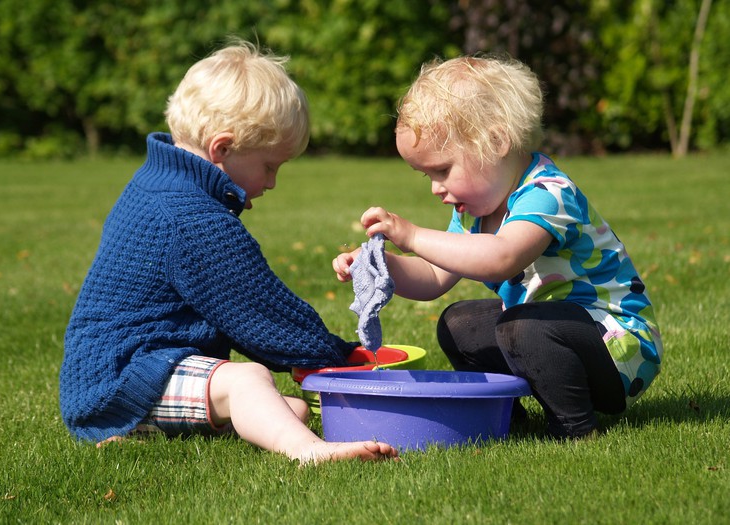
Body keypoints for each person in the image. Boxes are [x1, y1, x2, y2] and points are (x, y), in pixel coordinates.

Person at [59, 38, 397, 464]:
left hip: (128, 371)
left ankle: (142, 434)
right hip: (122, 380)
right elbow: (260, 311)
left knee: (286, 409)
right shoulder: (191, 218)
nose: (272, 182)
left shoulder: (159, 182)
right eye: (270, 166)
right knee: (248, 381)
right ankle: (309, 452)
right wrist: (335, 355)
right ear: (221, 149)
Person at [332, 54, 663, 439]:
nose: (436, 188)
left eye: (442, 170)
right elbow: (435, 275)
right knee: (459, 324)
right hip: (549, 332)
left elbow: (501, 258)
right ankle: (505, 417)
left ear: (496, 142)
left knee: (519, 327)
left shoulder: (548, 193)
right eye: (427, 175)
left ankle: (575, 428)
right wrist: (379, 265)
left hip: (617, 347)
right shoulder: (475, 212)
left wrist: (412, 235)